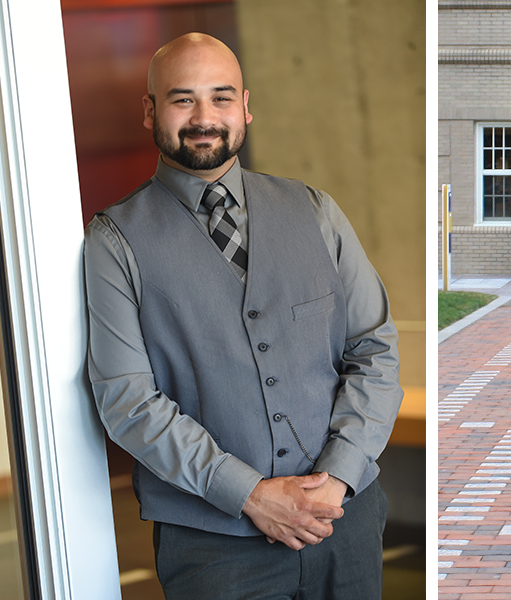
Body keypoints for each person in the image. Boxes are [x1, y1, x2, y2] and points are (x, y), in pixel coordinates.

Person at [84, 32, 403, 599]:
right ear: (150, 111)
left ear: (246, 107)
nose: (204, 117)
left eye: (221, 97)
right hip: (212, 544)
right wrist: (252, 495)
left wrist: (338, 477)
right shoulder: (114, 240)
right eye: (183, 99)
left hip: (344, 521)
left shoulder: (314, 209)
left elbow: (373, 348)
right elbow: (127, 401)